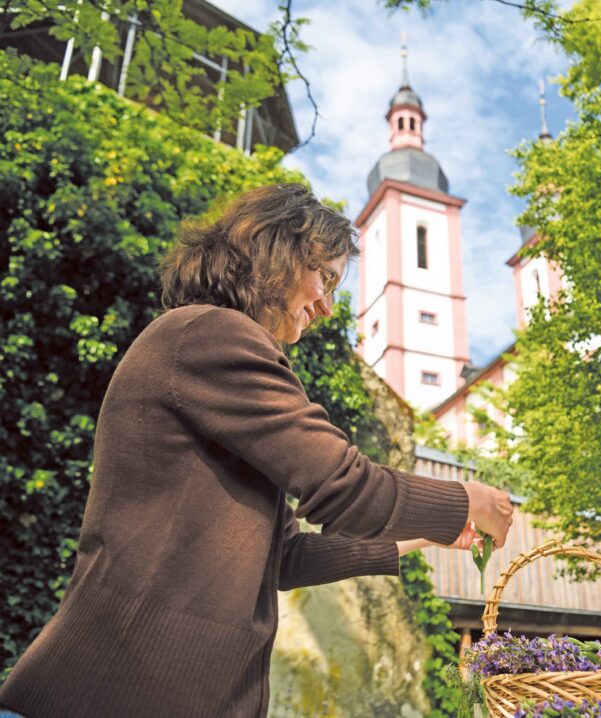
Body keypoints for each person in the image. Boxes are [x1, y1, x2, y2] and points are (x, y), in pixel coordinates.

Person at [0, 184, 515, 717]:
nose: (327, 305)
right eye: (327, 277)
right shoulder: (211, 336)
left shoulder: (208, 347)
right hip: (113, 692)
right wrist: (467, 499)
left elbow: (283, 556)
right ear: (277, 252)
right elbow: (344, 486)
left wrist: (428, 532)